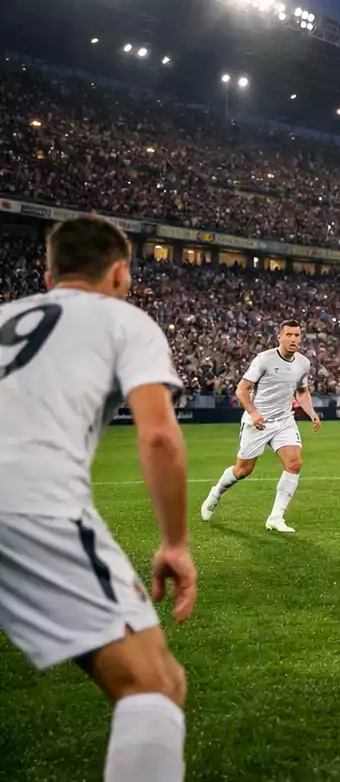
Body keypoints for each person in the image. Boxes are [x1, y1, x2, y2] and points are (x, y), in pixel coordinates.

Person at [0, 215, 196, 781]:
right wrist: (175, 543)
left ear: (48, 276)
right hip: (30, 504)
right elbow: (159, 436)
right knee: (156, 685)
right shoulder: (124, 320)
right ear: (118, 273)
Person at [199, 320, 320, 533]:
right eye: (289, 335)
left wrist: (312, 413)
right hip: (258, 423)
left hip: (284, 421)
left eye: (297, 335)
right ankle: (216, 493)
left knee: (294, 463)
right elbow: (242, 390)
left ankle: (276, 517)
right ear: (279, 337)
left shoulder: (303, 363)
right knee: (243, 470)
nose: (294, 339)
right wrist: (254, 413)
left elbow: (301, 392)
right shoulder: (264, 359)